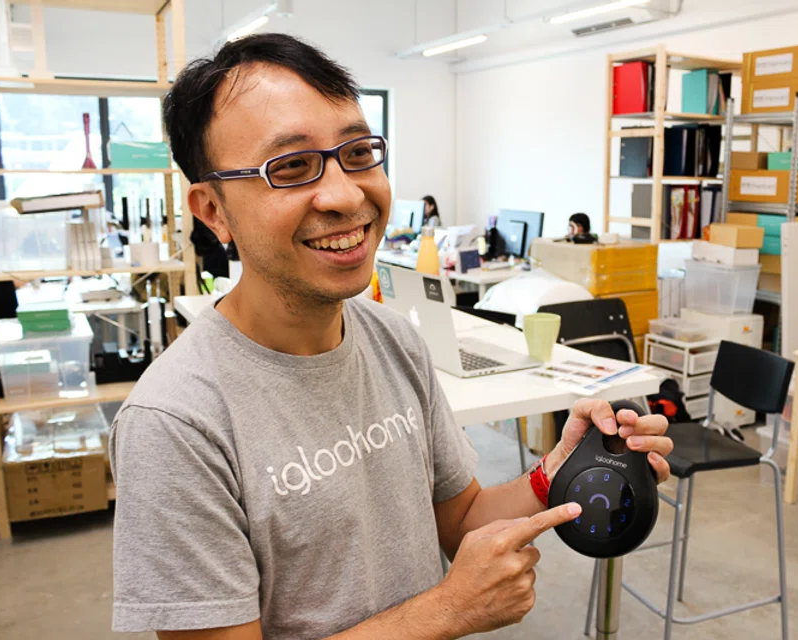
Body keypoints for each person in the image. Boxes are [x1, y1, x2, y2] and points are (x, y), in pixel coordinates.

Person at [109, 33, 672, 640]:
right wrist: (447, 611)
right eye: (292, 167)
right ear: (212, 209)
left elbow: (459, 520)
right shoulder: (175, 423)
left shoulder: (392, 341)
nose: (346, 194)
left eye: (358, 152)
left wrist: (554, 470)